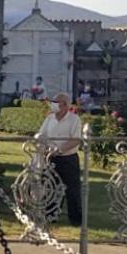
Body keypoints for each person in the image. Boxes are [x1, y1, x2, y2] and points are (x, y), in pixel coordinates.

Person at [38, 92, 84, 226]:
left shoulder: (74, 119)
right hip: (50, 158)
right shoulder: (50, 118)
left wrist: (60, 150)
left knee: (72, 190)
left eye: (56, 102)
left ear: (65, 105)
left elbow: (75, 140)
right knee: (50, 187)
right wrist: (44, 148)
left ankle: (75, 219)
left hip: (68, 158)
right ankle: (50, 216)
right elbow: (41, 135)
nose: (53, 104)